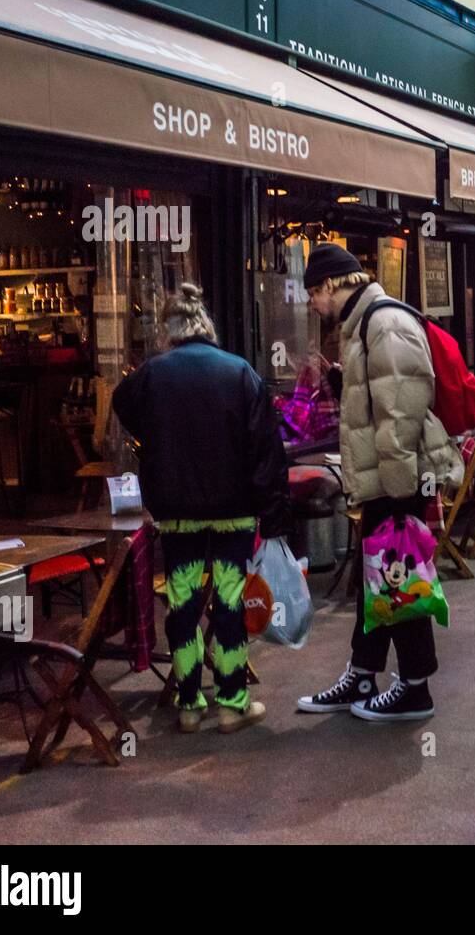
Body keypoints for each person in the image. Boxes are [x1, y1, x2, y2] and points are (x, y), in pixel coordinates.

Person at [296, 245, 463, 722]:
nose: (312, 303)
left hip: (396, 481)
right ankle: (364, 673)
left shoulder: (382, 323)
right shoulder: (365, 325)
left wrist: (396, 494)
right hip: (383, 480)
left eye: (313, 292)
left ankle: (415, 687)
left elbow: (400, 413)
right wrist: (338, 379)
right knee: (379, 580)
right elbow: (381, 397)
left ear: (332, 284)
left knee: (399, 578)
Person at [112, 284, 288, 735]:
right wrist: (271, 510)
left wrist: (157, 435)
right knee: (230, 605)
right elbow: (266, 448)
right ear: (206, 325)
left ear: (169, 331)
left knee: (182, 606)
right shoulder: (240, 373)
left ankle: (189, 704)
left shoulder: (151, 376)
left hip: (177, 512)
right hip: (234, 509)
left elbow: (123, 403)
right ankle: (233, 704)